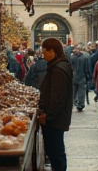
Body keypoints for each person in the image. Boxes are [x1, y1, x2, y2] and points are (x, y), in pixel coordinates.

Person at [38, 38, 73, 171]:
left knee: (56, 152)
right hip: (56, 118)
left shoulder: (58, 69)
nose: (43, 55)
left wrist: (48, 116)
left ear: (52, 51)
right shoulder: (58, 66)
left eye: (44, 52)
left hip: (55, 120)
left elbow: (58, 97)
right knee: (55, 151)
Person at [70, 43, 90, 110]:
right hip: (82, 76)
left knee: (73, 92)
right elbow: (86, 68)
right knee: (81, 92)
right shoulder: (84, 58)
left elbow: (70, 67)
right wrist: (87, 77)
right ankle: (81, 104)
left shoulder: (72, 57)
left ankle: (71, 104)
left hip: (73, 76)